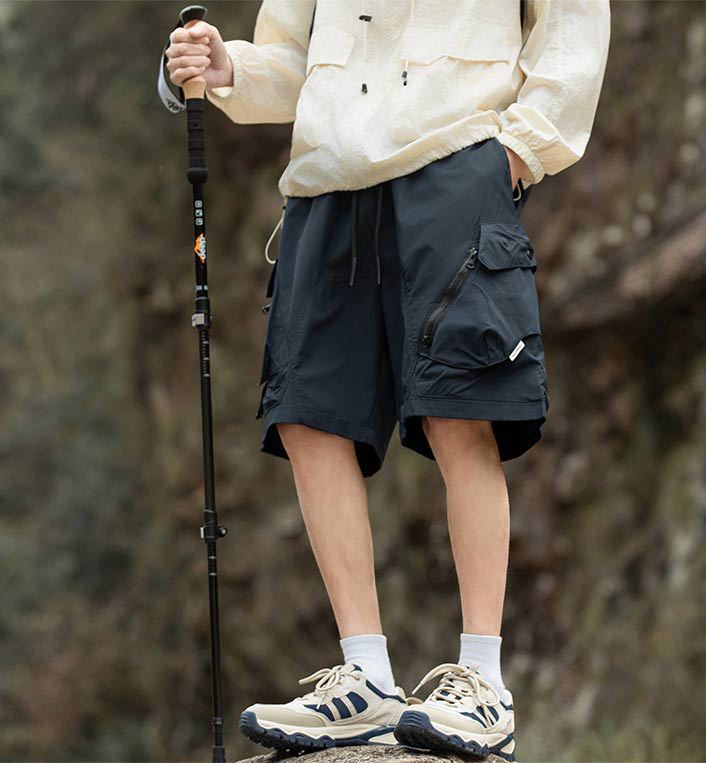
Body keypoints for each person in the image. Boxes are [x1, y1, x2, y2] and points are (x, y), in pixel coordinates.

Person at [166, 1, 610, 758]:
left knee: (460, 409)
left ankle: (484, 681)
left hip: (457, 161)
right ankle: (366, 676)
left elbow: (571, 27)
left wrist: (516, 151)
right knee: (307, 413)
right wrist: (228, 67)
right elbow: (292, 60)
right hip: (326, 179)